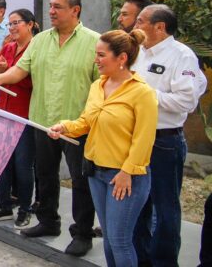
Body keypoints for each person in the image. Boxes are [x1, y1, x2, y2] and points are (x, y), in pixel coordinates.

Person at [0, 0, 99, 257]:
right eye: (50, 6)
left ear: (75, 10)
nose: (51, 11)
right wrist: (0, 79)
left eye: (58, 6)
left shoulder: (94, 41)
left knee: (80, 182)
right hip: (42, 121)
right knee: (45, 176)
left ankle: (82, 234)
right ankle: (48, 222)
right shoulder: (40, 40)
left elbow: (101, 85)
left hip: (76, 127)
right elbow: (20, 70)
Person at [48, 29, 157, 267]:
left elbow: (144, 139)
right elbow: (86, 121)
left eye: (101, 55)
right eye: (95, 54)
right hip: (96, 172)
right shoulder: (98, 85)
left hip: (125, 177)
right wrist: (65, 127)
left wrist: (127, 172)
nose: (95, 60)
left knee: (119, 240)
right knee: (109, 240)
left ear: (122, 58)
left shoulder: (142, 93)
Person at [132, 4, 207, 266]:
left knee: (165, 208)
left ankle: (163, 261)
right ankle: (141, 259)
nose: (134, 26)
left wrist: (144, 96)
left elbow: (186, 101)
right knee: (139, 205)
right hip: (135, 140)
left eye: (140, 21)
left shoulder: (181, 56)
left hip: (164, 141)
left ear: (160, 27)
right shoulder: (137, 53)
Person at [0, 9, 39, 229]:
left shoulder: (36, 48)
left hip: (24, 114)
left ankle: (25, 209)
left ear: (31, 24)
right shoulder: (8, 47)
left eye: (17, 23)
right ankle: (4, 205)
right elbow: (1, 77)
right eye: (11, 24)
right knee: (0, 163)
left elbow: (33, 81)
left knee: (23, 165)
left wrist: (9, 72)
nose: (13, 27)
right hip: (3, 111)